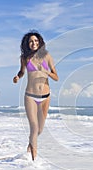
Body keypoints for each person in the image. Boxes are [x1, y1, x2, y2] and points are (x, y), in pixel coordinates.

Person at [13, 30, 58, 161]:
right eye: (31, 41)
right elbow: (21, 72)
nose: (34, 43)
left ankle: (30, 146)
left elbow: (56, 77)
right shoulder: (25, 58)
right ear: (27, 44)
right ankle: (34, 162)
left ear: (40, 43)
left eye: (36, 41)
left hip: (45, 96)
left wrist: (47, 72)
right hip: (30, 96)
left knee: (39, 130)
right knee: (34, 127)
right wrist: (17, 77)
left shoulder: (47, 56)